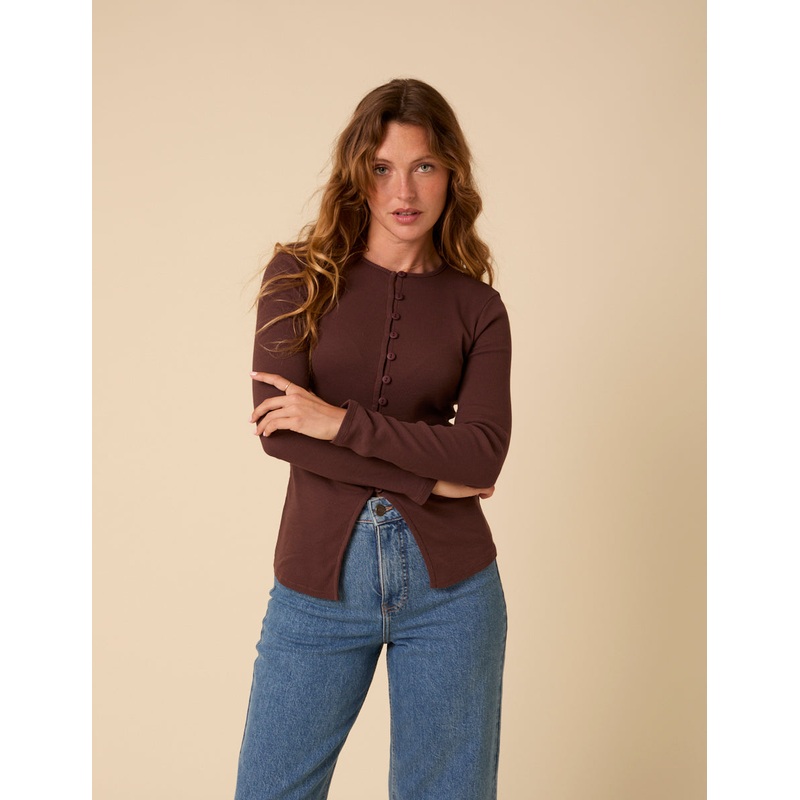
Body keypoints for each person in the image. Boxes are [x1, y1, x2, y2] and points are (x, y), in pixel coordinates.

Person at [235, 78, 513, 800]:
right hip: (317, 584)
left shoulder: (478, 307)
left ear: (452, 174)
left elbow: (483, 454)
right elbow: (278, 430)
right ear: (358, 174)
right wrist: (428, 478)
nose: (404, 190)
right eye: (383, 167)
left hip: (453, 592)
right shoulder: (298, 275)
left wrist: (338, 422)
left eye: (424, 166)